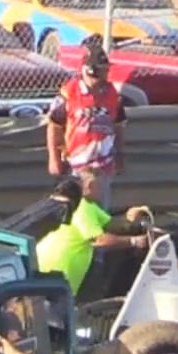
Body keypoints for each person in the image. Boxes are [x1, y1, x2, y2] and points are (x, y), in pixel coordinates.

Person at [33, 174, 148, 296]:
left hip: (49, 270)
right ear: (89, 186)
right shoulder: (83, 207)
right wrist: (135, 241)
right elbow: (100, 240)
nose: (103, 190)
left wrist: (129, 217)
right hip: (56, 272)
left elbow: (110, 224)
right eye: (99, 185)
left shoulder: (89, 206)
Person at [45, 42, 125, 207]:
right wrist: (54, 158)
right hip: (75, 166)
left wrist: (120, 156)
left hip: (103, 165)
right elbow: (54, 126)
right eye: (103, 69)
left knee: (100, 212)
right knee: (74, 210)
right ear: (91, 70)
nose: (106, 73)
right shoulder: (69, 93)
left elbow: (118, 125)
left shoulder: (112, 93)